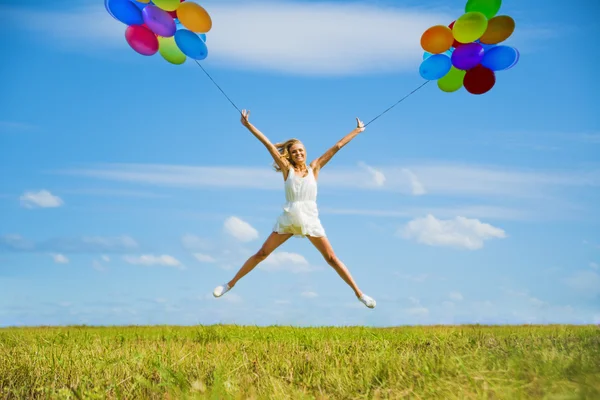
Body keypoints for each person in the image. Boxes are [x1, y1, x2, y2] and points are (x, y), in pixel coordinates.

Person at [212, 110, 376, 309]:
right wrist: (248, 126)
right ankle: (229, 284)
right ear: (289, 154)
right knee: (262, 253)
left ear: (305, 152)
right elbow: (268, 145)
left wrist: (357, 130)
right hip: (289, 219)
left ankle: (359, 294)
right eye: (295, 151)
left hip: (310, 219)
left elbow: (337, 146)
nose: (299, 153)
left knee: (331, 258)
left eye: (301, 150)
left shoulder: (315, 167)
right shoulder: (286, 169)